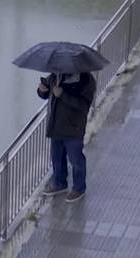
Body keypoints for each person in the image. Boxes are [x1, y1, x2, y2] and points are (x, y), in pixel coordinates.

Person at [38, 72, 97, 203]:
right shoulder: (56, 75)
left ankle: (79, 188)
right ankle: (59, 183)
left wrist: (63, 95)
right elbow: (46, 93)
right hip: (56, 127)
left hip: (73, 127)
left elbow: (84, 105)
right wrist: (41, 90)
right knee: (57, 158)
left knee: (76, 160)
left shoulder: (86, 79)